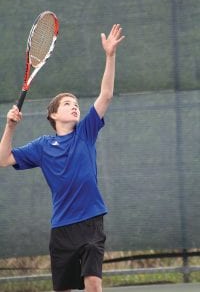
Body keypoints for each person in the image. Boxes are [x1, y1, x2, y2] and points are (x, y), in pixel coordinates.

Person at [0, 24, 125, 292]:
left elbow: (106, 95)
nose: (74, 105)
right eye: (67, 103)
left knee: (93, 283)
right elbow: (4, 158)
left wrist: (110, 56)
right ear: (53, 115)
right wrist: (9, 127)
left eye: (76, 103)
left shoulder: (86, 132)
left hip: (92, 221)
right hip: (62, 228)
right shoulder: (42, 146)